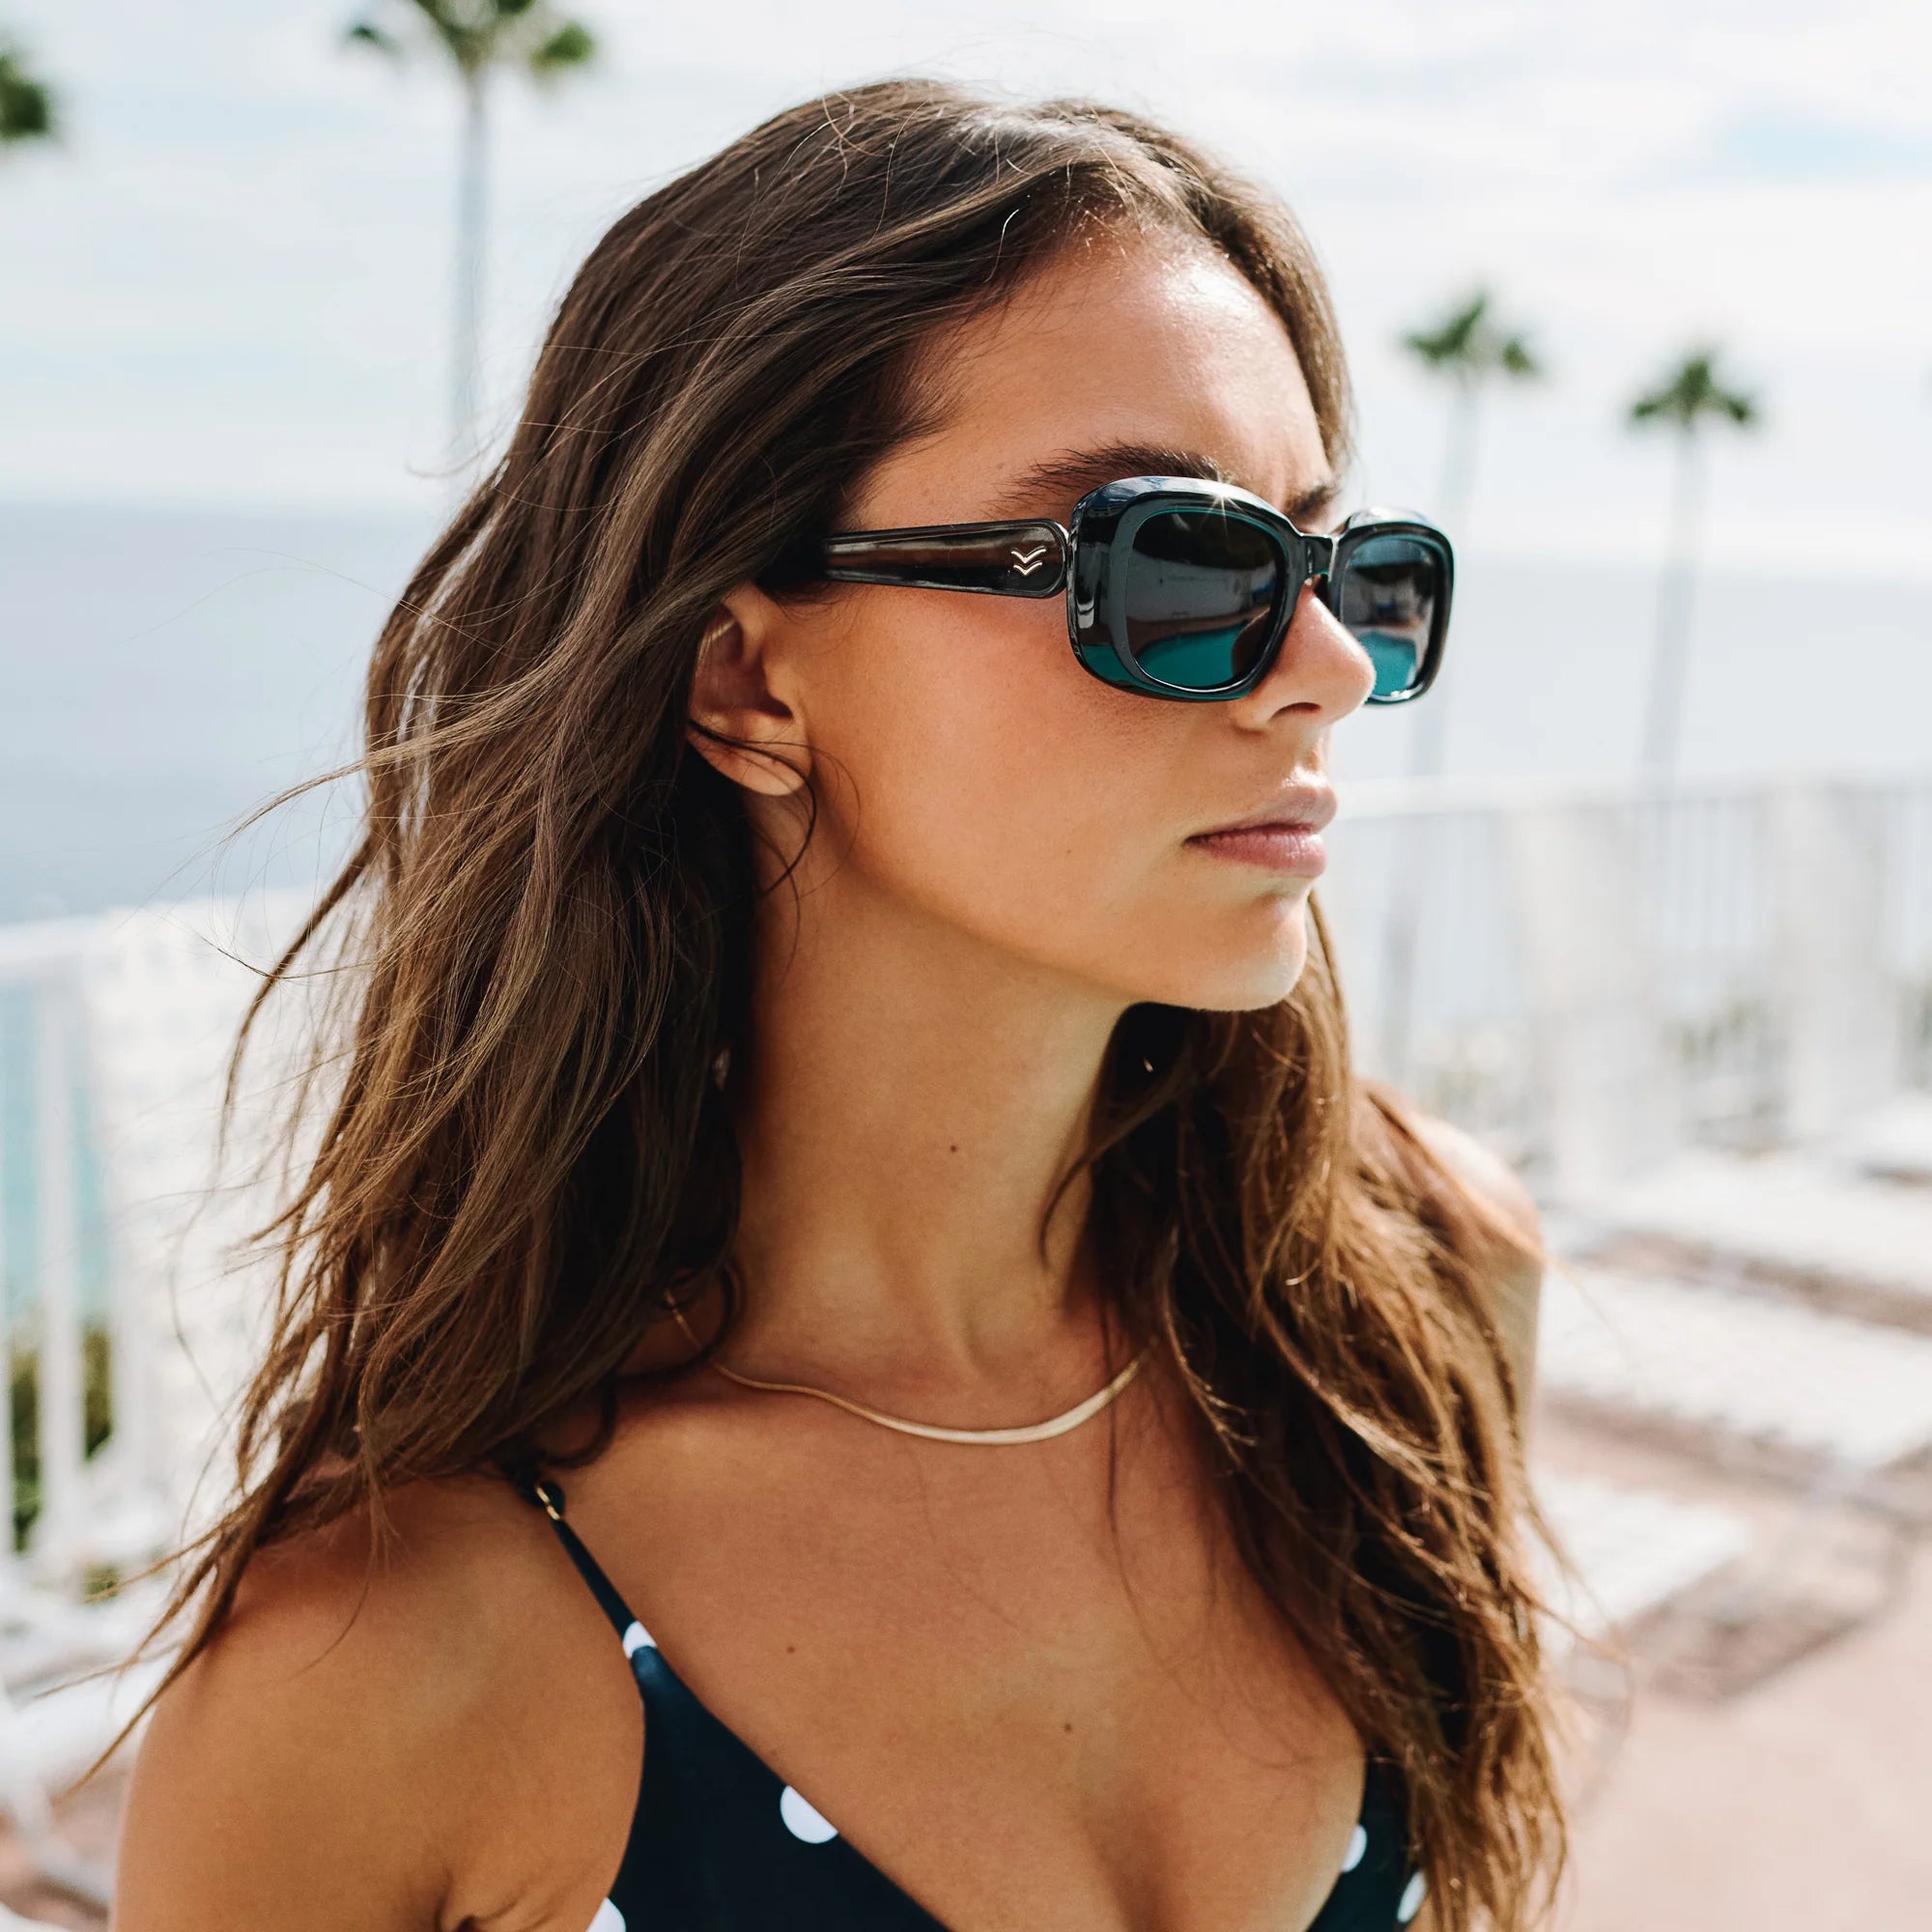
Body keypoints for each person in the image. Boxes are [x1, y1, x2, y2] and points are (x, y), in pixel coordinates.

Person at [115, 79, 1579, 1932]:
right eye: (1174, 561)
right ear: (744, 684)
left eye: (1341, 566)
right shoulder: (395, 1654)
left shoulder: (1411, 1303)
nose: (1333, 667)